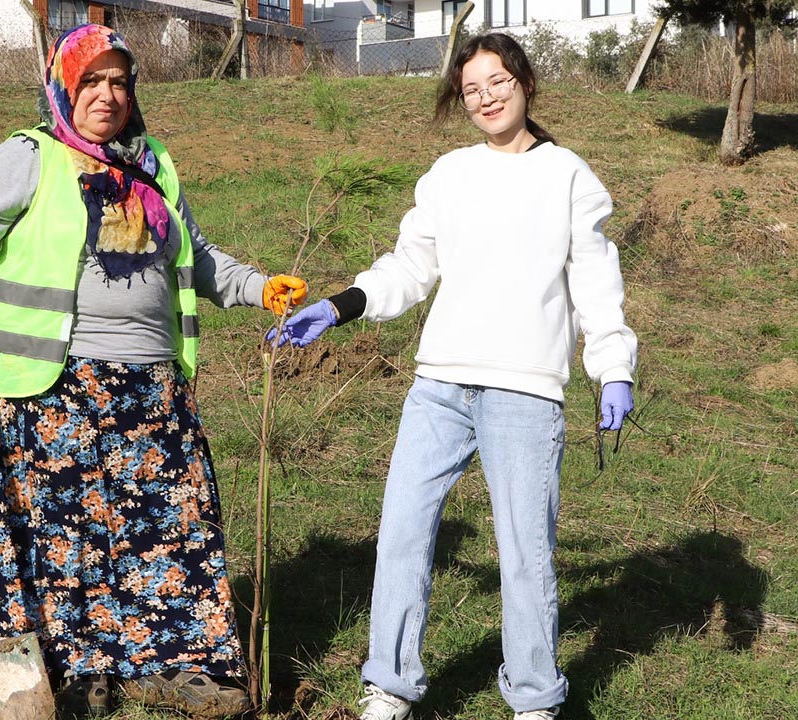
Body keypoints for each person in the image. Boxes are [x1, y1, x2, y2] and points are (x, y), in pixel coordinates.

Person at [0, 24, 307, 719]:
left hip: (152, 385)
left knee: (170, 530)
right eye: (92, 81)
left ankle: (178, 665)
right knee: (62, 536)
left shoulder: (154, 162)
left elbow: (193, 256)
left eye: (119, 82)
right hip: (52, 384)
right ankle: (77, 667)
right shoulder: (31, 155)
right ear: (64, 87)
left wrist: (260, 287)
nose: (107, 95)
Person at [269, 32, 637, 720]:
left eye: (497, 82)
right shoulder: (449, 175)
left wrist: (611, 366)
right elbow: (410, 268)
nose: (486, 97)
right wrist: (340, 306)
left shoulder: (568, 177)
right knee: (404, 533)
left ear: (524, 83)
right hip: (438, 388)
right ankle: (390, 686)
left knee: (527, 555)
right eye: (471, 89)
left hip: (525, 393)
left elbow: (596, 281)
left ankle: (533, 700)